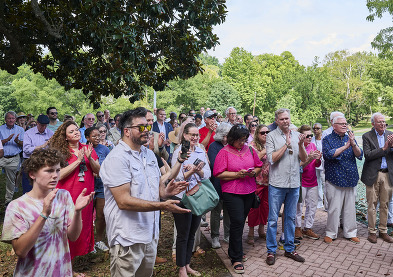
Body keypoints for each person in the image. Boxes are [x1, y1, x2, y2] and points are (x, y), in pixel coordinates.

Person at [100, 107, 189, 276]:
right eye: (141, 127)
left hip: (150, 234)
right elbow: (123, 201)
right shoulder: (117, 159)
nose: (148, 130)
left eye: (148, 126)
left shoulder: (148, 155)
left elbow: (155, 190)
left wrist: (165, 193)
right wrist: (162, 206)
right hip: (127, 237)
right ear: (126, 131)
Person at [1, 148, 94, 277]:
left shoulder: (63, 196)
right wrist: (44, 214)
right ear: (32, 174)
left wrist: (77, 212)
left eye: (57, 170)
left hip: (62, 271)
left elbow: (73, 236)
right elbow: (21, 251)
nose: (55, 175)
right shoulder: (17, 206)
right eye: (49, 171)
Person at [214, 124, 263, 274]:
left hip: (248, 191)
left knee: (241, 221)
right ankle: (236, 258)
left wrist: (253, 172)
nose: (243, 142)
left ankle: (235, 250)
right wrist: (237, 175)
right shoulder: (224, 152)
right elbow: (218, 173)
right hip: (232, 192)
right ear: (232, 139)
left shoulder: (250, 150)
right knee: (237, 222)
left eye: (244, 139)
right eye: (240, 140)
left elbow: (258, 166)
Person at [50, 120, 100, 260]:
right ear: (65, 137)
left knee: (81, 224)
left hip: (85, 194)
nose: (76, 132)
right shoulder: (60, 152)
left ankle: (72, 262)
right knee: (66, 225)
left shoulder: (87, 148)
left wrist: (89, 157)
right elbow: (58, 175)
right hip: (67, 193)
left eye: (76, 129)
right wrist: (78, 161)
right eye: (71, 131)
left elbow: (98, 171)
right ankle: (65, 266)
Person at [265, 108, 307, 266]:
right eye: (282, 119)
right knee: (273, 220)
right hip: (277, 184)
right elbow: (272, 159)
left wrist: (301, 145)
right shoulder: (271, 136)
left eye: (287, 118)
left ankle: (289, 249)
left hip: (294, 183)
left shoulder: (297, 135)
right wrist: (286, 145)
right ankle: (271, 250)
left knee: (290, 218)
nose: (285, 121)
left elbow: (303, 158)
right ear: (276, 120)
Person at [172, 123, 211, 277]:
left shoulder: (201, 151)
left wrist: (198, 171)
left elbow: (207, 174)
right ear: (185, 136)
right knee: (183, 233)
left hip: (197, 196)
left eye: (197, 135)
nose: (195, 138)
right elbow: (176, 177)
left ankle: (187, 265)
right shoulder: (179, 152)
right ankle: (181, 269)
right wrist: (191, 172)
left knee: (192, 233)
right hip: (182, 197)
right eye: (192, 135)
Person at [322, 115, 363, 244]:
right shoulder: (327, 139)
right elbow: (328, 155)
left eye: (346, 123)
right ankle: (331, 233)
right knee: (334, 208)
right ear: (334, 126)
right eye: (341, 124)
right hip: (334, 178)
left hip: (350, 178)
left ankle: (350, 232)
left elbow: (359, 154)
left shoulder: (350, 137)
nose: (345, 125)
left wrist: (353, 145)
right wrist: (345, 147)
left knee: (350, 208)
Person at [362, 113, 393, 243]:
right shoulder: (367, 136)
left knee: (385, 204)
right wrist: (384, 148)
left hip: (387, 174)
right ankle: (372, 232)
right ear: (373, 124)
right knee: (372, 204)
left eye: (384, 121)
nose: (382, 124)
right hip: (372, 174)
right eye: (379, 121)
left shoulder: (390, 134)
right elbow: (368, 155)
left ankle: (383, 231)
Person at [84, 127, 111, 251]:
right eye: (94, 136)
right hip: (87, 186)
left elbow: (110, 166)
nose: (97, 138)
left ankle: (99, 240)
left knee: (101, 215)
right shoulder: (82, 149)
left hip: (101, 186)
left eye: (98, 135)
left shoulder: (105, 149)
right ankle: (88, 242)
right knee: (87, 215)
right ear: (87, 138)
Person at [295, 125, 322, 240]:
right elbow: (298, 167)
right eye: (307, 136)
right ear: (301, 136)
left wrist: (317, 159)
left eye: (311, 135)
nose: (310, 137)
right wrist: (309, 159)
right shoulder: (298, 147)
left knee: (312, 206)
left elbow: (316, 165)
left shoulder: (313, 145)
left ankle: (308, 228)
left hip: (312, 180)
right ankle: (297, 228)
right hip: (301, 181)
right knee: (299, 207)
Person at [207, 123, 231, 249]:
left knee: (228, 210)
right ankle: (215, 236)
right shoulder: (214, 146)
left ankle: (227, 234)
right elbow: (216, 166)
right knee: (216, 211)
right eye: (226, 136)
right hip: (217, 184)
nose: (227, 138)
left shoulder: (231, 146)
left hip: (230, 185)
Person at [247, 124, 270, 245]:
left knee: (266, 207)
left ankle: (261, 230)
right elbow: (254, 159)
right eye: (262, 133)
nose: (265, 135)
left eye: (267, 132)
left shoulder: (272, 144)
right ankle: (251, 232)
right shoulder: (252, 146)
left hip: (269, 181)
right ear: (257, 134)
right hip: (256, 181)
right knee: (254, 207)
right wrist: (266, 149)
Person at [22, 115, 54, 193]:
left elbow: (53, 149)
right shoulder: (28, 133)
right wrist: (42, 146)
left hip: (44, 162)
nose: (43, 128)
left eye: (45, 126)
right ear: (37, 123)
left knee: (43, 186)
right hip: (30, 161)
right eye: (42, 125)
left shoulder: (50, 133)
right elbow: (26, 149)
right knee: (28, 187)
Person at [0, 111, 24, 206]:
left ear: (15, 119)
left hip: (14, 158)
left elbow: (24, 143)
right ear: (5, 119)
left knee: (11, 181)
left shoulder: (20, 130)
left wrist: (17, 141)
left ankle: (8, 201)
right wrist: (6, 140)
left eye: (13, 118)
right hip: (1, 157)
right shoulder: (0, 129)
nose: (11, 120)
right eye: (9, 118)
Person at [311, 123, 325, 209]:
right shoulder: (312, 139)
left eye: (317, 128)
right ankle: (319, 202)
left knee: (325, 183)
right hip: (314, 164)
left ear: (321, 129)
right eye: (314, 128)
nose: (315, 130)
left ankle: (327, 204)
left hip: (323, 163)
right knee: (317, 183)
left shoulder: (324, 139)